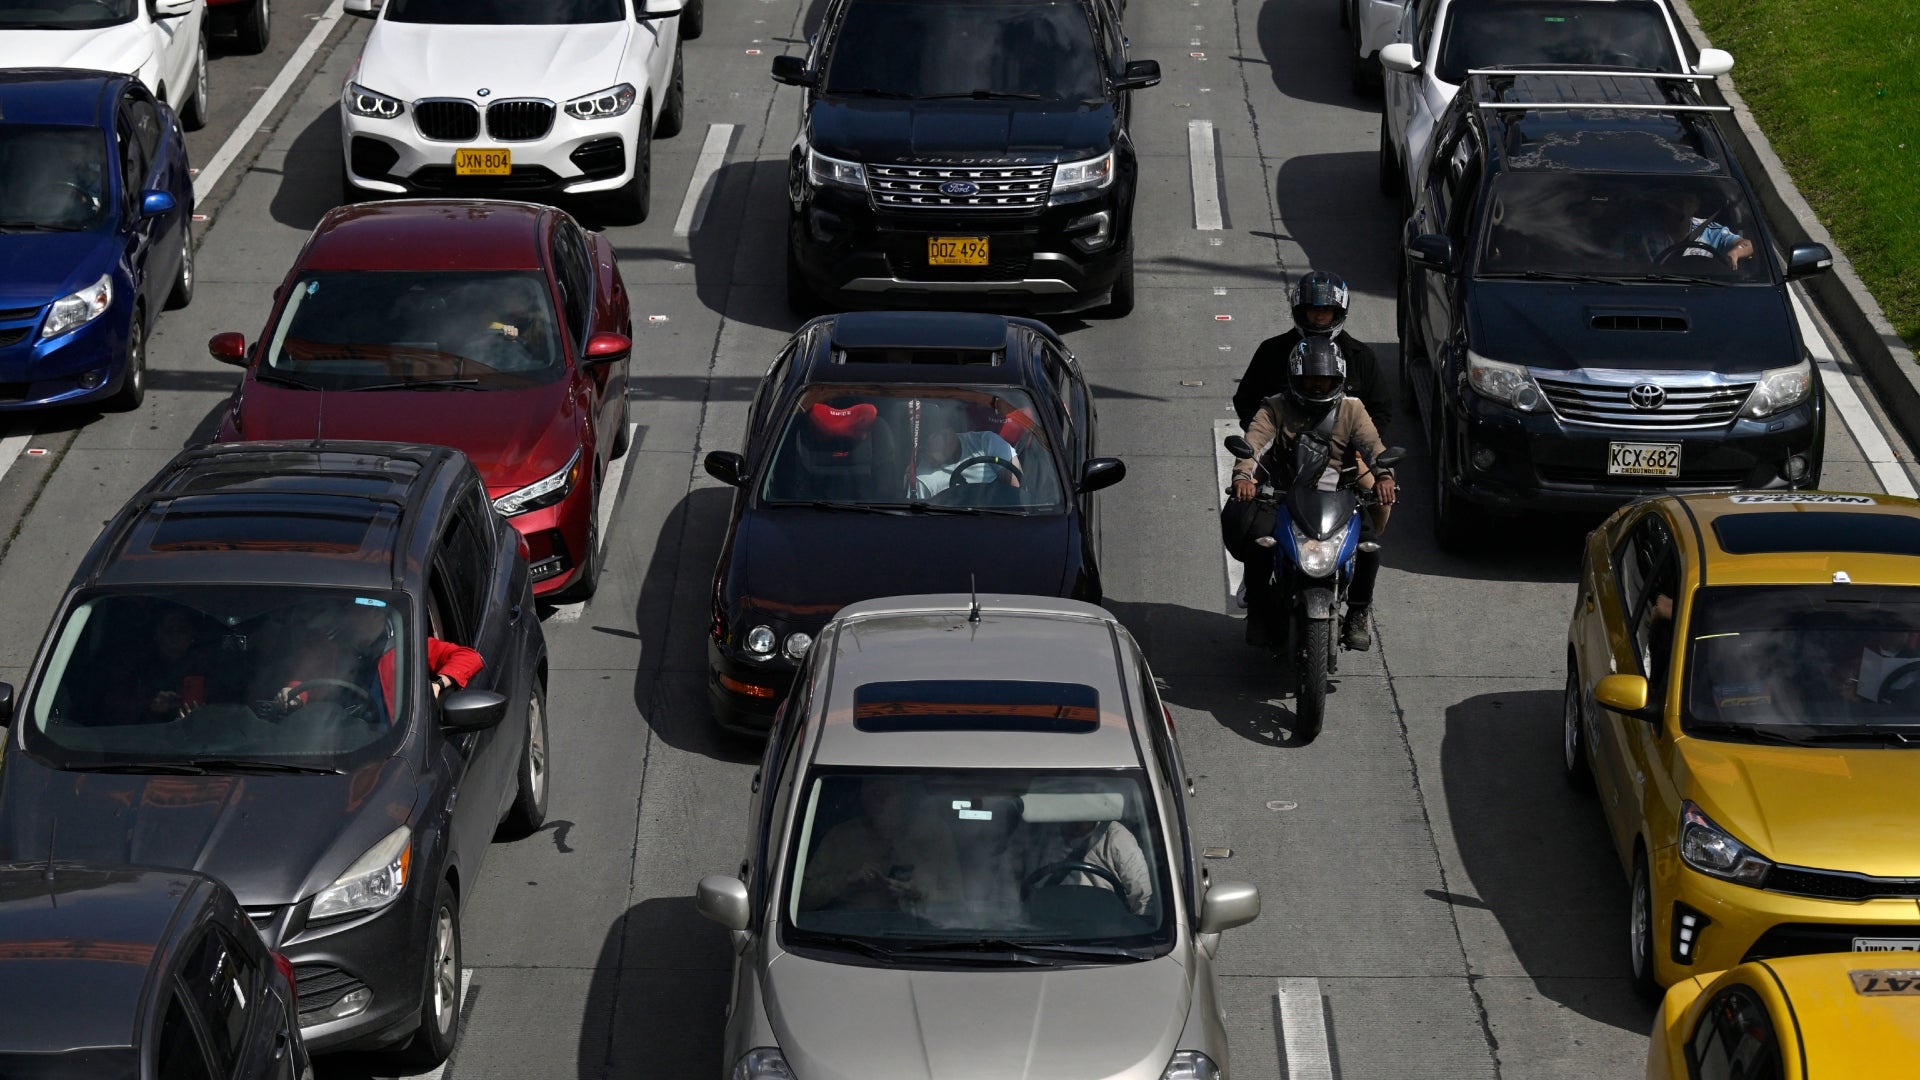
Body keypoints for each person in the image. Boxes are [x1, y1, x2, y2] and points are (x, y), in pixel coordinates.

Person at [1225, 338, 1396, 650]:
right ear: (1294, 379)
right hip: (1281, 496)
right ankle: (1259, 612)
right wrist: (1243, 477)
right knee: (1261, 542)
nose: (1318, 387)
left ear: (1339, 380)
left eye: (1325, 380)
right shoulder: (1274, 406)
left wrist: (1384, 475)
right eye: (1311, 380)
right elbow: (1252, 445)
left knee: (1370, 546)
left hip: (1339, 497)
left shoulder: (1352, 409)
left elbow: (1374, 447)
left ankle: (1358, 611)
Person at [1231, 271, 1390, 431]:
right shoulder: (1271, 351)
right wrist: (1262, 435)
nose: (1319, 317)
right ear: (1301, 311)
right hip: (1283, 445)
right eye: (1313, 310)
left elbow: (1380, 410)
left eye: (1326, 310)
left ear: (1338, 312)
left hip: (1341, 447)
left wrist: (1362, 445)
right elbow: (1246, 401)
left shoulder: (1360, 356)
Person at [273, 602, 483, 720]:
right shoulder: (331, 647)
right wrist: (295, 694)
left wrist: (437, 686)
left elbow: (469, 657)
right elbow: (310, 680)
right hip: (333, 739)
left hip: (387, 745)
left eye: (352, 611)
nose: (343, 618)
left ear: (376, 615)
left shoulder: (406, 648)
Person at [799, 777, 962, 913]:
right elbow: (802, 898)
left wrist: (921, 894)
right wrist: (846, 881)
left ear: (904, 793)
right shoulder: (841, 837)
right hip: (848, 936)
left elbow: (958, 901)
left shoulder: (934, 835)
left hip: (922, 932)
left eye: (888, 791)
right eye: (872, 788)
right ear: (861, 794)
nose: (880, 799)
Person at [1016, 814, 1154, 916]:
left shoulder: (1116, 837)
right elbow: (1015, 886)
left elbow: (1142, 896)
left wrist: (1137, 939)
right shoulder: (1041, 834)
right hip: (1044, 929)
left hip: (1103, 930)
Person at [102, 608, 213, 724]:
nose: (175, 638)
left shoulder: (207, 667)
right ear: (156, 635)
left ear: (192, 636)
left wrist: (206, 712)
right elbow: (115, 715)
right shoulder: (136, 669)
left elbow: (225, 707)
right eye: (169, 631)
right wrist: (152, 708)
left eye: (182, 630)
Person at [909, 400, 1021, 500]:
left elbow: (1018, 494)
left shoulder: (986, 442)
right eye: (925, 440)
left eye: (944, 427)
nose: (946, 432)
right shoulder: (922, 481)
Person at [1619, 190, 1755, 269]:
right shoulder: (1640, 232)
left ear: (1696, 207)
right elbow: (1615, 262)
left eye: (1688, 201)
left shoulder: (1710, 231)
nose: (1682, 206)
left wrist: (1735, 253)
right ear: (1664, 205)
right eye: (1676, 201)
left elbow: (1747, 244)